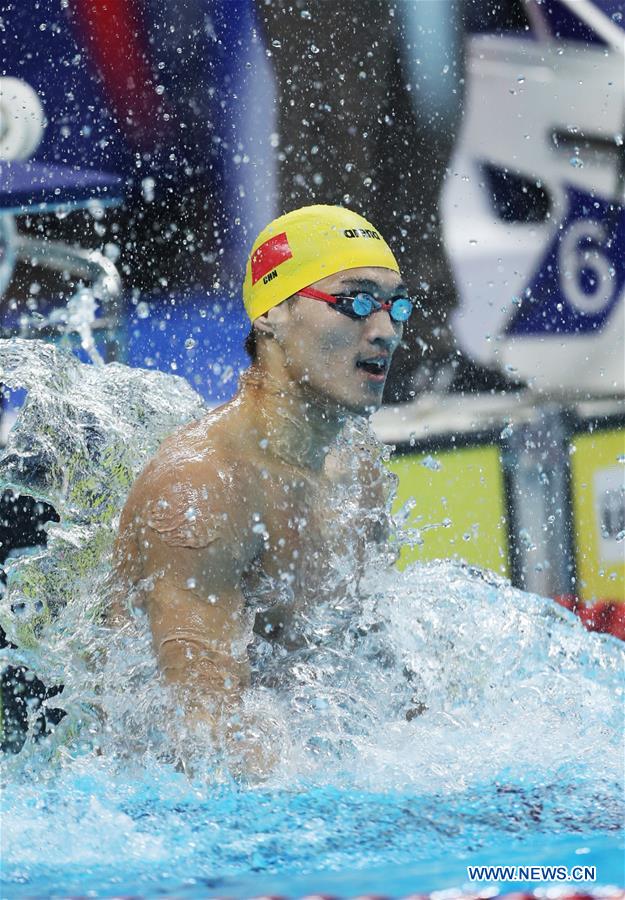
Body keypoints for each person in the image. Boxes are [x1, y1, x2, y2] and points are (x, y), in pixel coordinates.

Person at [111, 205, 411, 774]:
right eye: (356, 302)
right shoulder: (204, 488)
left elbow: (376, 667)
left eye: (396, 305)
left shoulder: (357, 469)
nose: (385, 331)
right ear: (273, 310)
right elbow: (203, 740)